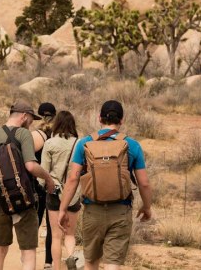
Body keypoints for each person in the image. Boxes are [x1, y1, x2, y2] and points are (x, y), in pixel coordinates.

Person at [58, 100, 153, 270]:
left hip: (92, 211)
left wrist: (63, 209)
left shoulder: (84, 143)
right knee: (112, 264)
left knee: (91, 262)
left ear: (99, 118)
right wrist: (147, 207)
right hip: (120, 210)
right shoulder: (132, 145)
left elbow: (72, 179)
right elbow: (144, 183)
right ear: (121, 120)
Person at [0, 99, 56, 270]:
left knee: (0, 249)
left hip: (0, 200)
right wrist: (48, 178)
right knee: (28, 251)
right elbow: (30, 166)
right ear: (24, 116)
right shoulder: (24, 134)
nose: (32, 123)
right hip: (23, 199)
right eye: (32, 119)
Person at [40, 111, 81, 270]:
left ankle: (56, 267)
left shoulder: (50, 143)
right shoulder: (79, 143)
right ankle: (71, 258)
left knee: (56, 236)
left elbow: (43, 172)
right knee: (70, 234)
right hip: (73, 194)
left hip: (54, 193)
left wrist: (43, 185)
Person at [32, 102, 57, 269]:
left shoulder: (34, 136)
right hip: (54, 184)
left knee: (34, 221)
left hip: (36, 184)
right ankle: (49, 261)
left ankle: (29, 258)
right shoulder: (58, 136)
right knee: (51, 225)